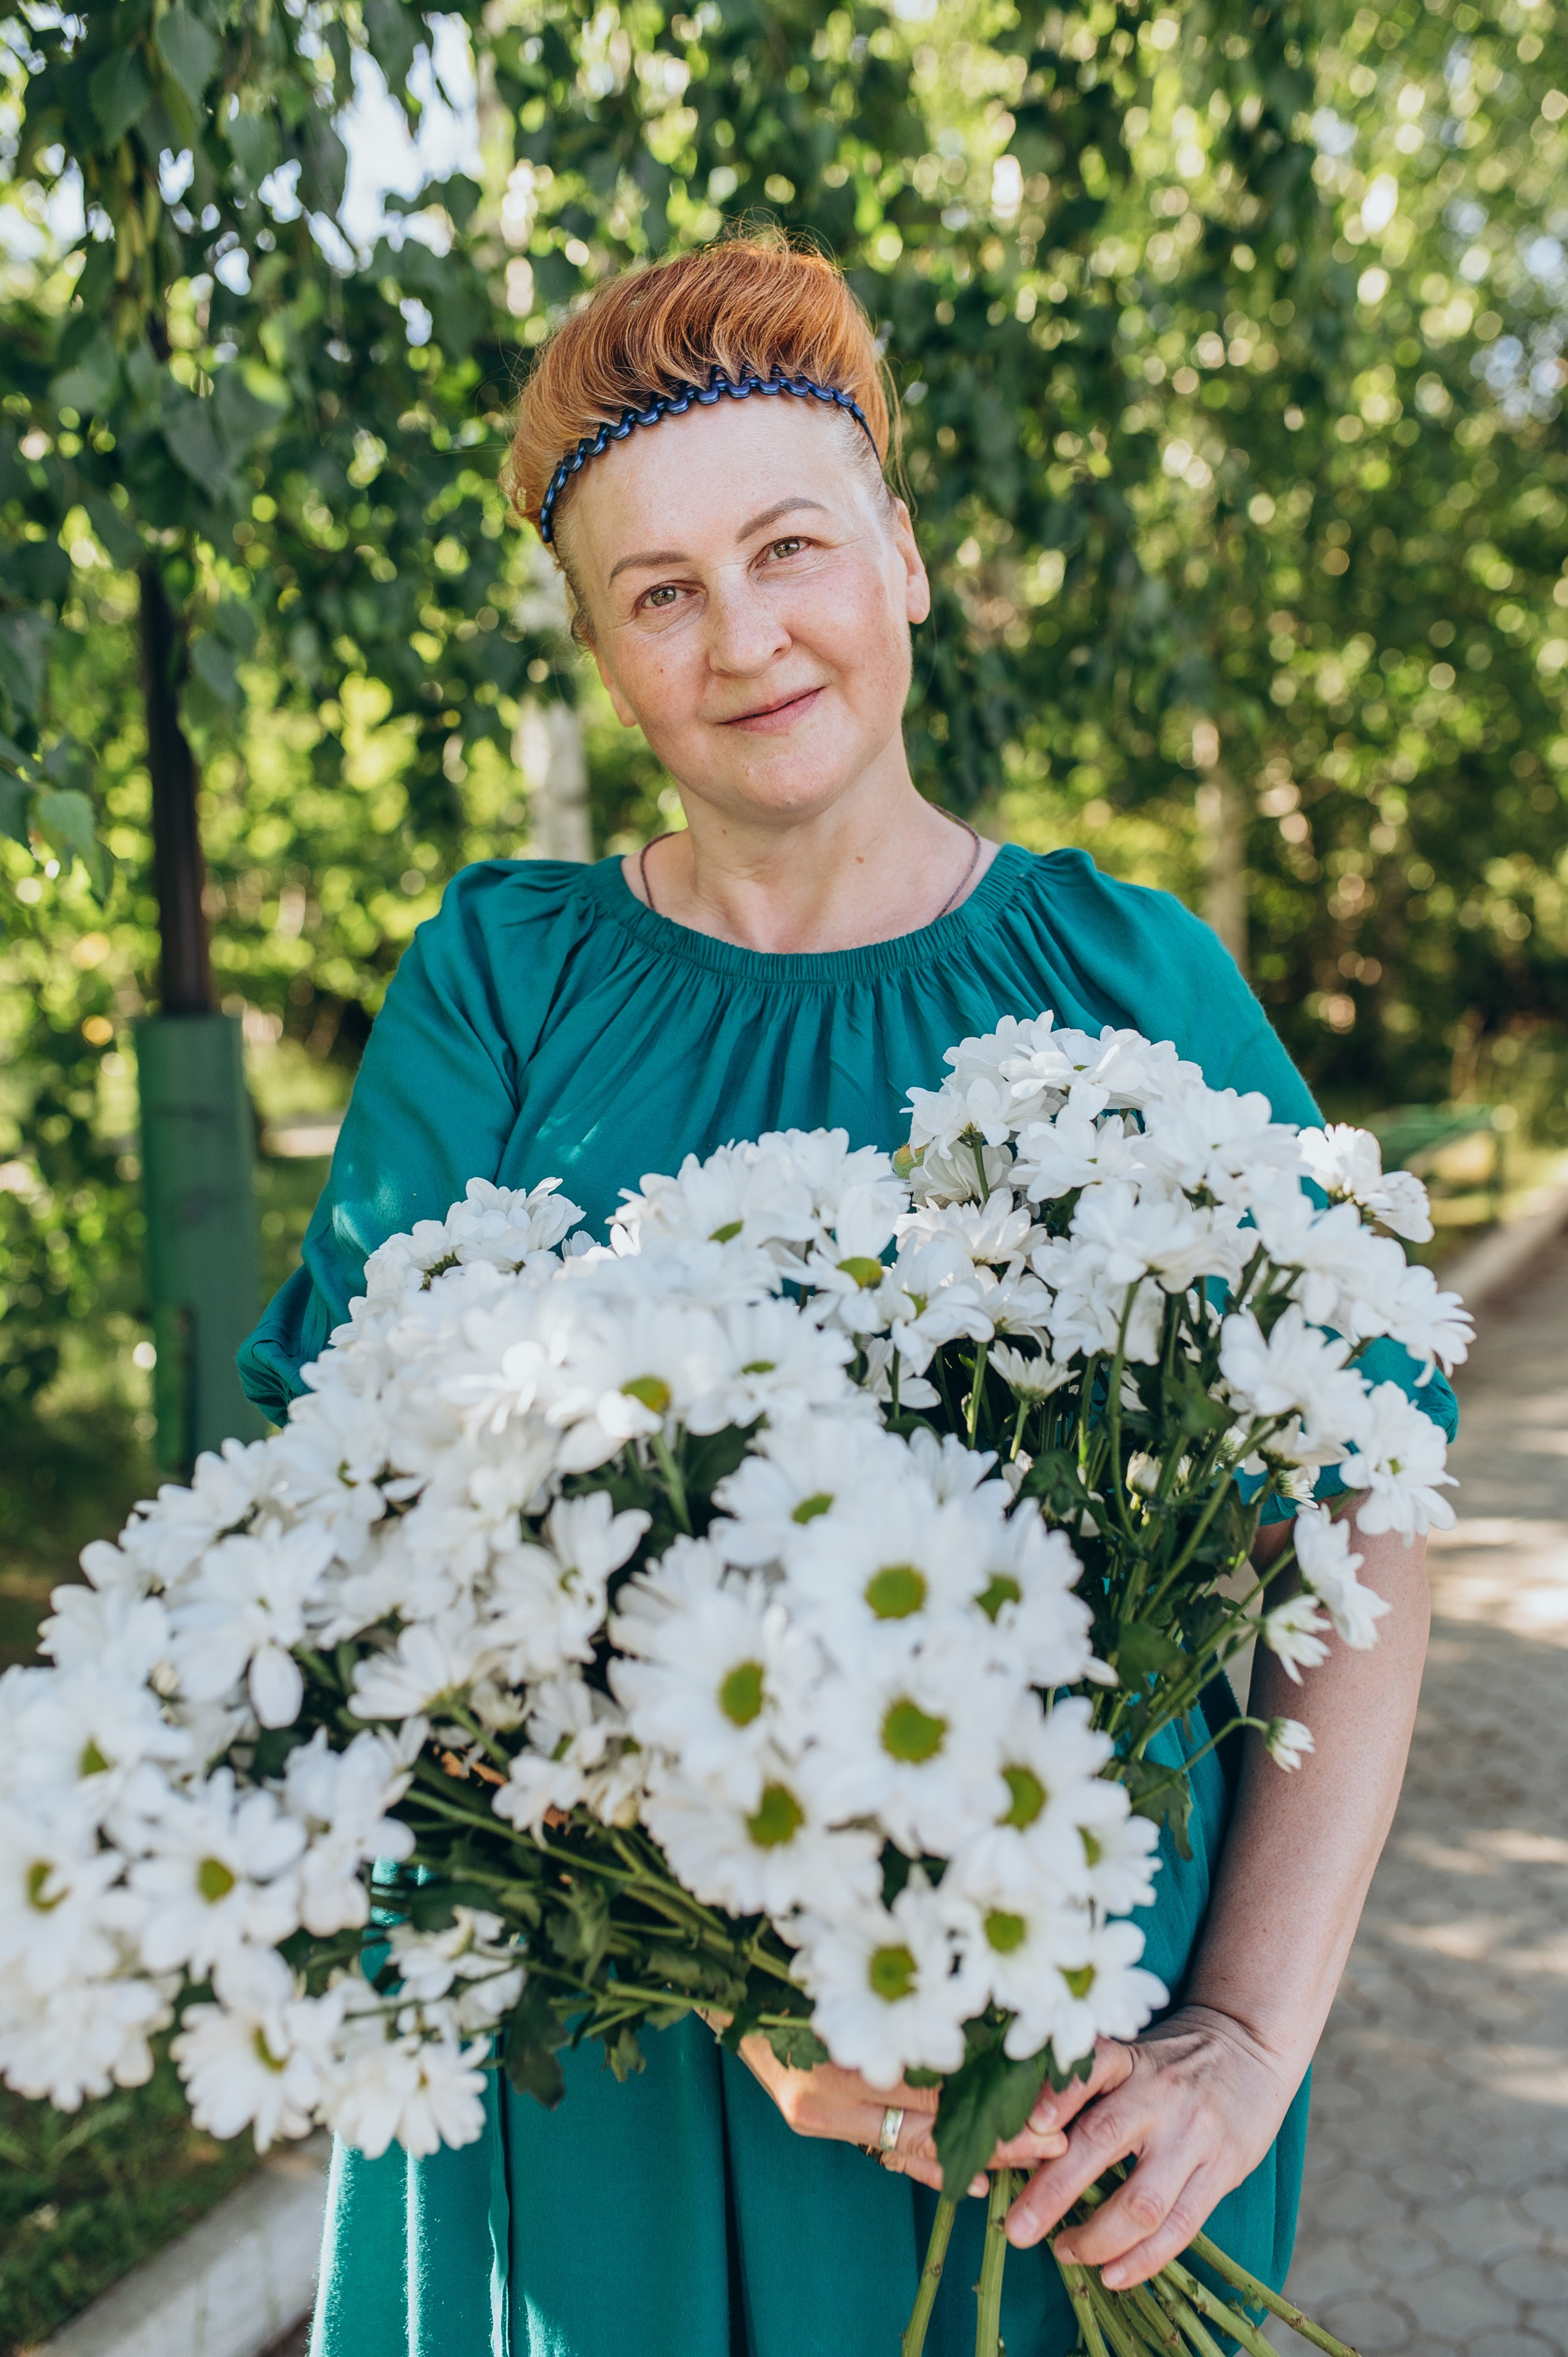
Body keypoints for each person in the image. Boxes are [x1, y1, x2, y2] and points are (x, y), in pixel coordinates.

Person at [240, 234, 1451, 2357]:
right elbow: (348, 1535)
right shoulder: (499, 992)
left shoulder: (1130, 980)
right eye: (661, 590)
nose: (745, 636)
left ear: (898, 557)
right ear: (606, 655)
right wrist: (746, 1985)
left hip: (1062, 2079)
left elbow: (1360, 1491)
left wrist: (1249, 2030)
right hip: (602, 2077)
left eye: (791, 546)